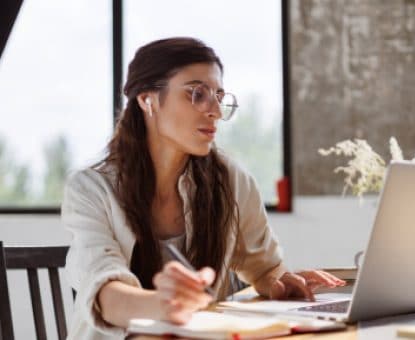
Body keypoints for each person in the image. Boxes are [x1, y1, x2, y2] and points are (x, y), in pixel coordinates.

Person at [62, 37, 344, 339]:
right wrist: (164, 304)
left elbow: (263, 267)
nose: (216, 111)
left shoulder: (232, 180)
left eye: (218, 96)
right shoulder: (92, 188)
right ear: (147, 101)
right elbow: (106, 295)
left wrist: (283, 282)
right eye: (197, 94)